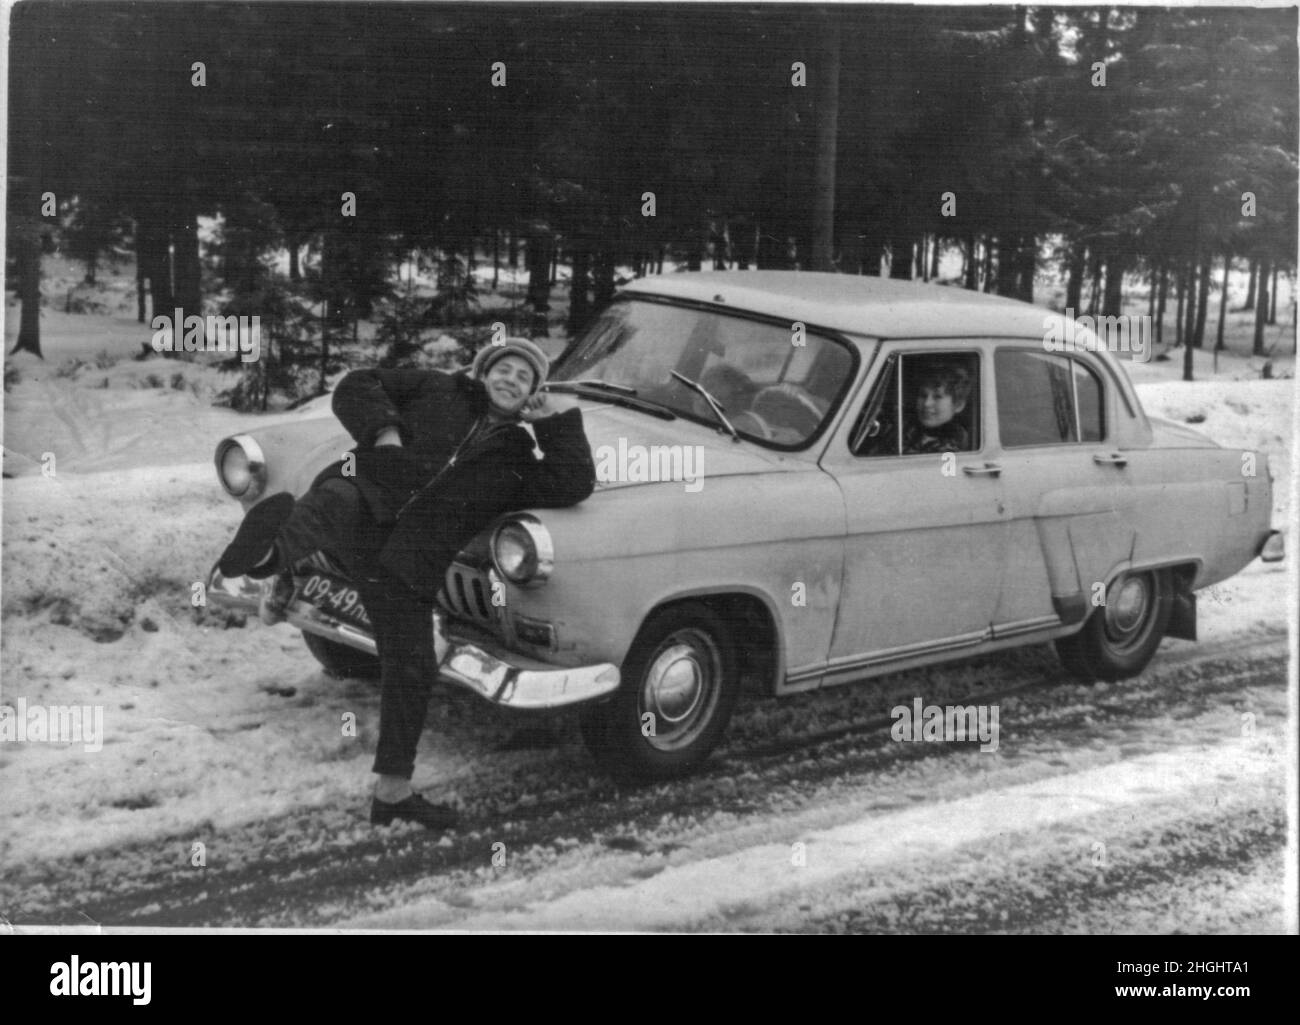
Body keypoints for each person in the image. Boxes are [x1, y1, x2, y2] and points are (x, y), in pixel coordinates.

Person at [217, 338, 596, 830]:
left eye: (524, 379)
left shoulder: (518, 457)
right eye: (503, 369)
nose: (511, 380)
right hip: (364, 492)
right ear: (483, 373)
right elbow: (356, 385)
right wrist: (385, 432)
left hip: (407, 561)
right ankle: (269, 554)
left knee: (414, 666)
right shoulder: (436, 388)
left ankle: (393, 795)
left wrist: (557, 423)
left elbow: (575, 482)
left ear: (532, 396)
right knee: (337, 499)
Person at [902, 361, 972, 454]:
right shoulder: (906, 430)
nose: (926, 403)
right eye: (923, 395)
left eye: (937, 397)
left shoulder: (955, 446)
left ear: (958, 405)